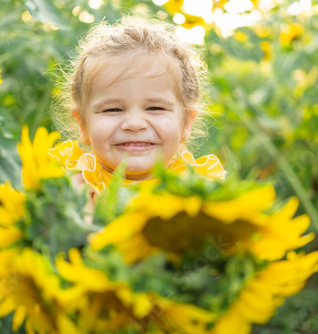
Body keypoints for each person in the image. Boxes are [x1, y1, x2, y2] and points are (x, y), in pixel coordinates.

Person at [49, 16, 226, 200]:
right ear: (83, 125)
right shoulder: (69, 187)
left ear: (187, 123)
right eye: (113, 110)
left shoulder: (200, 191)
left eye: (155, 108)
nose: (134, 124)